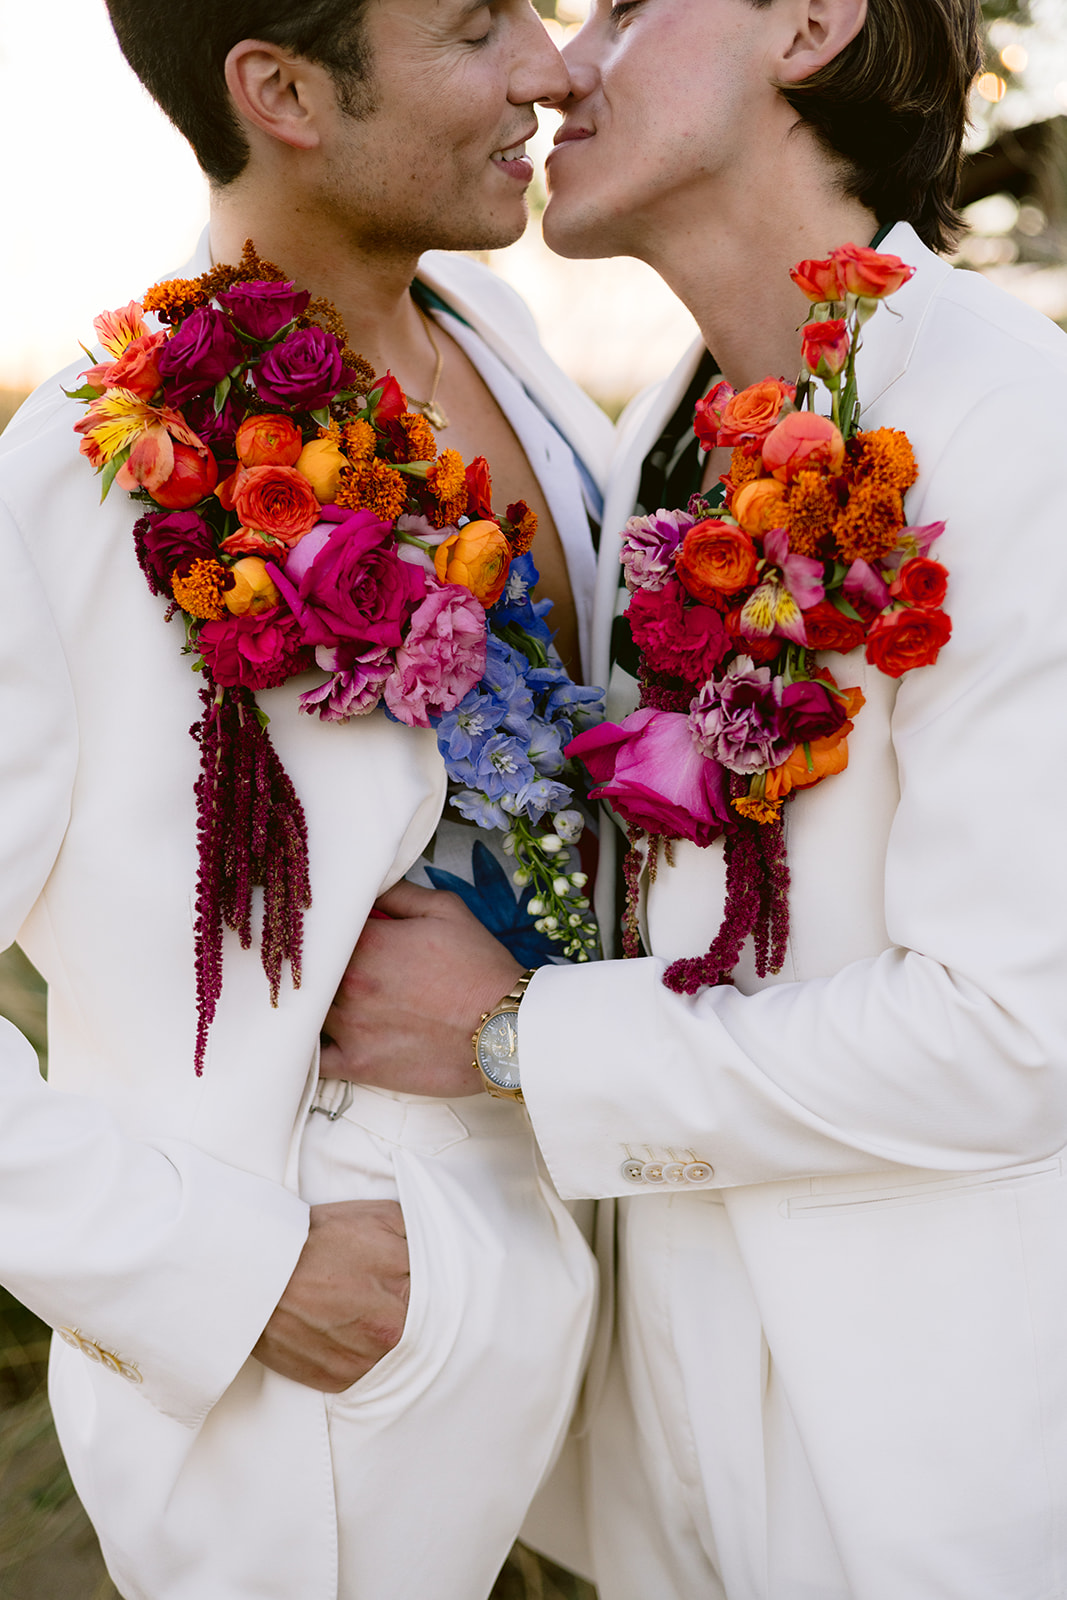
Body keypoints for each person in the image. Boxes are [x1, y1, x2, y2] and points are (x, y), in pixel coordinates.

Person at [321, 0, 1067, 1594]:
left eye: (626, 5)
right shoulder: (654, 443)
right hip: (660, 1464)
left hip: (924, 1469)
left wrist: (516, 1038)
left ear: (809, 24)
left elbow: (1019, 1035)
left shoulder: (1015, 431)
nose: (562, 63)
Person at [0, 2, 611, 1596]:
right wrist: (231, 1279)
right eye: (480, 28)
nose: (549, 68)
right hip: (326, 1389)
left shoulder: (501, 345)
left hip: (609, 1287)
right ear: (281, 92)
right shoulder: (90, 474)